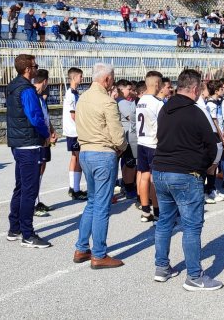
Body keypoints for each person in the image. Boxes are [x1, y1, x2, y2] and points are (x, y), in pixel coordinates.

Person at [152, 68, 222, 291]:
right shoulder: (195, 112)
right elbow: (212, 146)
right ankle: (194, 276)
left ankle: (161, 267)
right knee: (192, 226)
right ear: (194, 88)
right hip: (185, 173)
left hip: (161, 171)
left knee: (165, 221)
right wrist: (205, 167)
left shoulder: (165, 109)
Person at [73, 62, 126, 269]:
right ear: (106, 79)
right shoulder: (107, 102)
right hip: (103, 153)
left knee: (93, 202)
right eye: (112, 79)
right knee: (102, 206)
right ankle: (99, 253)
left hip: (85, 151)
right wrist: (121, 147)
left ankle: (82, 247)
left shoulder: (83, 98)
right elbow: (117, 133)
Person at [4, 54, 52, 248]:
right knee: (29, 190)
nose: (36, 69)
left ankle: (14, 228)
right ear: (27, 69)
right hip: (29, 144)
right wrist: (46, 133)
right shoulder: (26, 90)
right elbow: (34, 116)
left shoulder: (13, 86)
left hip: (18, 143)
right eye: (34, 66)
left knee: (21, 187)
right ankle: (27, 233)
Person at [137, 71, 165, 222]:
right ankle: (158, 211)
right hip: (154, 144)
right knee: (155, 179)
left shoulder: (140, 101)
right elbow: (163, 126)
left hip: (141, 142)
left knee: (144, 176)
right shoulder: (157, 103)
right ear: (156, 84)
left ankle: (145, 211)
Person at [32, 69, 56, 216]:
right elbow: (36, 119)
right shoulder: (33, 96)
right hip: (38, 139)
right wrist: (46, 135)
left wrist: (52, 130)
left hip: (45, 137)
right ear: (45, 81)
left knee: (41, 169)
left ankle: (37, 199)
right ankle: (33, 204)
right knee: (35, 169)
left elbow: (45, 116)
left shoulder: (41, 97)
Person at [63, 67, 86, 199]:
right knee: (78, 158)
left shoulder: (74, 92)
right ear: (74, 77)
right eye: (80, 76)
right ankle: (75, 189)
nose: (82, 79)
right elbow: (73, 115)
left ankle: (73, 187)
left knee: (74, 157)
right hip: (74, 131)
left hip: (73, 130)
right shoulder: (71, 93)